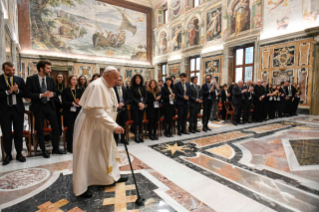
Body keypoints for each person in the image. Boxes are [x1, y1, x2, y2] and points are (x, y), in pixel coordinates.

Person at [73, 66, 127, 198]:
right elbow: (97, 111)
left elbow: (112, 107)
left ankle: (110, 178)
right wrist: (113, 126)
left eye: (118, 78)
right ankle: (81, 187)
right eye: (115, 78)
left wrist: (112, 124)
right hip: (90, 126)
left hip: (103, 126)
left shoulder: (109, 87)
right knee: (86, 154)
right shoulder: (97, 86)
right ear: (107, 75)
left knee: (105, 151)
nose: (117, 80)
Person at [25, 61, 66, 158]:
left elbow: (55, 92)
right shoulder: (31, 79)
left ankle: (55, 148)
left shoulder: (51, 79)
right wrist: (41, 95)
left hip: (50, 106)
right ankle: (43, 150)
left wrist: (53, 94)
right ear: (41, 69)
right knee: (39, 129)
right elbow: (27, 94)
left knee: (56, 128)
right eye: (48, 68)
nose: (50, 70)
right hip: (38, 107)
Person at [0, 62, 26, 165]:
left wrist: (18, 91)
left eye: (13, 70)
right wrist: (8, 92)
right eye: (8, 70)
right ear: (3, 69)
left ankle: (19, 153)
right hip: (4, 111)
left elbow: (26, 93)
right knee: (6, 134)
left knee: (18, 133)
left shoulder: (19, 80)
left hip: (17, 110)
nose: (11, 72)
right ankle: (8, 155)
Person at [62, 75, 83, 153]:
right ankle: (70, 147)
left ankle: (78, 146)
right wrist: (72, 103)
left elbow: (82, 100)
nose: (75, 81)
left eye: (76, 80)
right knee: (71, 130)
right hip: (69, 113)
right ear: (70, 80)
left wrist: (79, 103)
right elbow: (64, 102)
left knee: (78, 129)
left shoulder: (79, 90)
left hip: (78, 112)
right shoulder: (65, 90)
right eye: (73, 79)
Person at [130, 74, 147, 143]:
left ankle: (140, 135)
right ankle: (136, 136)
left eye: (139, 78)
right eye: (136, 78)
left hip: (142, 106)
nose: (138, 79)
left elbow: (145, 96)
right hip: (135, 106)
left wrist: (143, 104)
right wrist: (138, 103)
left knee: (141, 121)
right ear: (134, 79)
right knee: (136, 121)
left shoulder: (143, 87)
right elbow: (131, 97)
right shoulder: (132, 87)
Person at [114, 76, 130, 145]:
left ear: (122, 81)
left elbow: (128, 99)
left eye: (120, 80)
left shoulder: (125, 89)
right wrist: (117, 104)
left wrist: (123, 104)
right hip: (116, 110)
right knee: (116, 124)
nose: (119, 81)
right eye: (117, 80)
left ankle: (123, 139)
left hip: (124, 110)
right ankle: (116, 139)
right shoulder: (112, 89)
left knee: (123, 124)